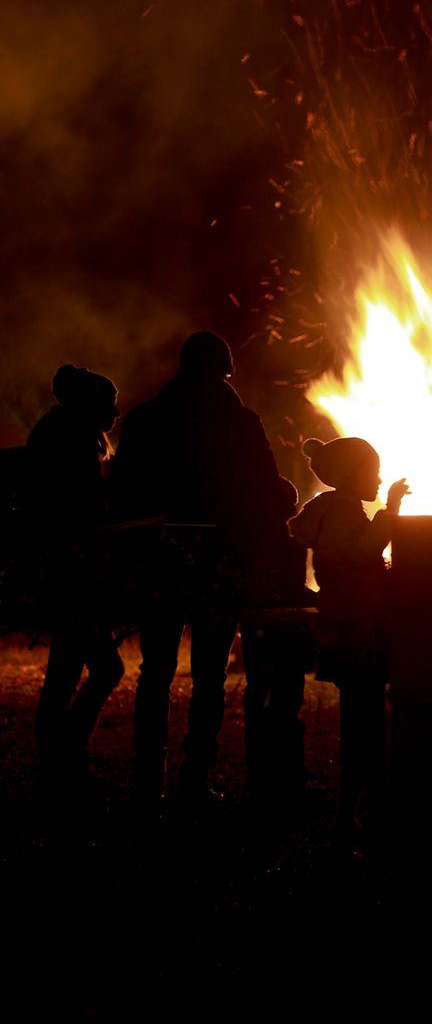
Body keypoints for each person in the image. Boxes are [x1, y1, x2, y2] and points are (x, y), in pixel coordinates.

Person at [109, 330, 289, 811]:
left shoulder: (145, 419)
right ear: (224, 371)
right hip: (220, 562)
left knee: (155, 671)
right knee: (210, 674)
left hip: (160, 560)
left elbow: (122, 493)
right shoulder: (241, 423)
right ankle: (194, 778)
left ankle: (149, 779)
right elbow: (266, 493)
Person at [288, 436, 409, 837]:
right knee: (367, 716)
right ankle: (363, 802)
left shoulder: (331, 509)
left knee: (360, 713)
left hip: (346, 623)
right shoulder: (342, 512)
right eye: (374, 472)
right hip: (358, 625)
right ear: (352, 474)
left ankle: (358, 802)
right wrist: (390, 512)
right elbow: (360, 554)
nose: (379, 479)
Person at [26, 363, 124, 797]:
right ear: (88, 405)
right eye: (109, 404)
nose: (115, 413)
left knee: (66, 672)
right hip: (71, 573)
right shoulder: (74, 442)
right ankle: (64, 757)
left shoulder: (60, 433)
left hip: (63, 571)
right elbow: (83, 510)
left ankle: (60, 761)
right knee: (100, 669)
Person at [239, 476, 317, 809]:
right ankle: (286, 779)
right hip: (284, 637)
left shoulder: (250, 546)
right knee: (285, 704)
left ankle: (264, 778)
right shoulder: (289, 546)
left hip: (263, 636)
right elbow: (291, 589)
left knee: (262, 701)